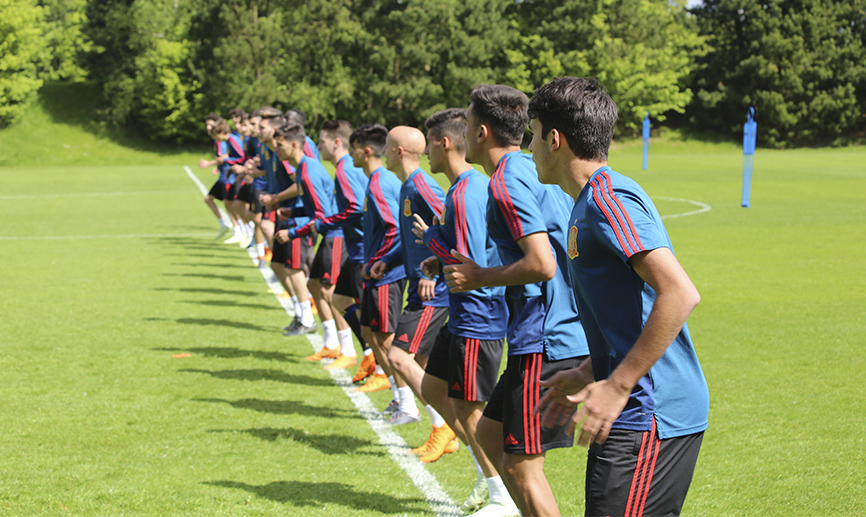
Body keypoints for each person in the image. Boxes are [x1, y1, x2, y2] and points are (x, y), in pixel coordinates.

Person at [530, 76, 709, 517]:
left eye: (531, 135)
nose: (527, 148)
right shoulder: (585, 204)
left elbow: (679, 293)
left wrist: (618, 382)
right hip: (633, 407)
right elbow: (628, 312)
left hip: (651, 410)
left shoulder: (608, 198)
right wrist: (591, 371)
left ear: (555, 139)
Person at [443, 84, 589, 517]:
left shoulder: (505, 183)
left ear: (483, 132)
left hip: (544, 339)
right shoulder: (530, 170)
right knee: (490, 434)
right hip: (558, 329)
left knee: (523, 466)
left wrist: (477, 277)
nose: (465, 135)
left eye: (467, 127)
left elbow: (541, 263)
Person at [413, 108, 518, 516]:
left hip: (479, 316)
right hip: (461, 314)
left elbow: (472, 261)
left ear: (444, 143)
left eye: (429, 145)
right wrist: (438, 259)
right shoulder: (461, 189)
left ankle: (500, 495)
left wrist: (435, 242)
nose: (426, 156)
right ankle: (486, 470)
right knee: (433, 389)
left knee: (473, 410)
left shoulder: (467, 191)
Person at [372, 126, 450, 428]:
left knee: (399, 358)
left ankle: (444, 428)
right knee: (418, 364)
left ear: (398, 151)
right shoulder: (406, 186)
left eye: (387, 147)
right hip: (419, 287)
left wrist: (438, 269)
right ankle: (440, 428)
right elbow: (410, 240)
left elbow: (452, 225)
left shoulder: (421, 186)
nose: (383, 152)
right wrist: (387, 260)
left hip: (433, 291)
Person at [273, 122, 353, 363]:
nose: (276, 149)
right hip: (329, 233)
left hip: (336, 235)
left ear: (294, 144)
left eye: (280, 145)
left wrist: (293, 232)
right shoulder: (302, 169)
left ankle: (348, 350)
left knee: (330, 292)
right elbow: (317, 208)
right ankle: (330, 344)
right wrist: (294, 212)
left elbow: (323, 214)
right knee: (315, 285)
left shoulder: (309, 170)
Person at [302, 120, 372, 374]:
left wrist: (325, 223)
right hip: (352, 243)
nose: (318, 145)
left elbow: (355, 207)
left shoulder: (345, 169)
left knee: (349, 302)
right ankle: (361, 351)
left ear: (336, 142)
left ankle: (369, 357)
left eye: (321, 141)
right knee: (338, 297)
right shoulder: (344, 168)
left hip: (358, 246)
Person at [349, 124, 407, 394]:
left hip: (385, 274)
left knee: (385, 338)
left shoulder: (380, 183)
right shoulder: (374, 181)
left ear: (366, 150)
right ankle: (397, 394)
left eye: (353, 148)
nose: (350, 154)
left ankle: (406, 401)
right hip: (376, 271)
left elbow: (394, 227)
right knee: (372, 334)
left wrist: (377, 263)